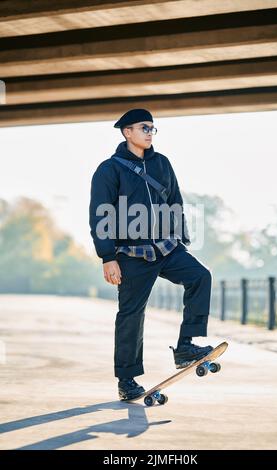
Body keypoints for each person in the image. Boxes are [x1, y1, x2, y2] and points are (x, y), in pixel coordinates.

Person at [89, 108, 213, 401]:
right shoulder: (110, 169)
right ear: (127, 132)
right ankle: (127, 379)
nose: (149, 133)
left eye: (152, 128)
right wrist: (108, 257)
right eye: (144, 128)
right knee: (132, 313)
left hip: (167, 248)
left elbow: (175, 200)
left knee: (200, 276)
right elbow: (100, 215)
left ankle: (186, 345)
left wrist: (181, 238)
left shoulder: (162, 164)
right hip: (131, 254)